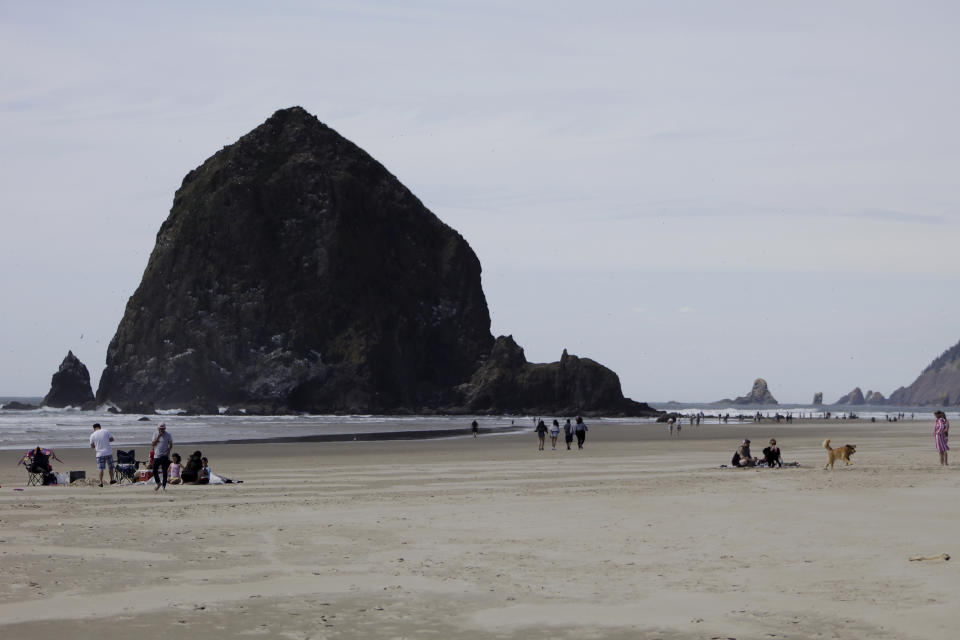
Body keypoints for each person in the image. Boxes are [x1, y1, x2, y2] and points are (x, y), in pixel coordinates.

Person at [89, 423, 116, 487]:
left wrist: (96, 445)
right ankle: (112, 479)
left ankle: (101, 482)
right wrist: (106, 440)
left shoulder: (92, 435)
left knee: (101, 468)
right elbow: (112, 439)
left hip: (100, 454)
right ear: (100, 427)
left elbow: (92, 446)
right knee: (111, 467)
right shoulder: (105, 431)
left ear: (94, 428)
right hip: (108, 452)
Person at [151, 422, 174, 492]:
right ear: (158, 428)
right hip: (156, 455)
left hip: (164, 455)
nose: (161, 430)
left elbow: (171, 445)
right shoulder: (155, 434)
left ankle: (164, 486)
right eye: (160, 429)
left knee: (164, 471)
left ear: (165, 428)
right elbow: (153, 444)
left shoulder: (168, 435)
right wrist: (158, 437)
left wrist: (167, 452)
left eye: (163, 429)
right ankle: (158, 483)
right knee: (154, 470)